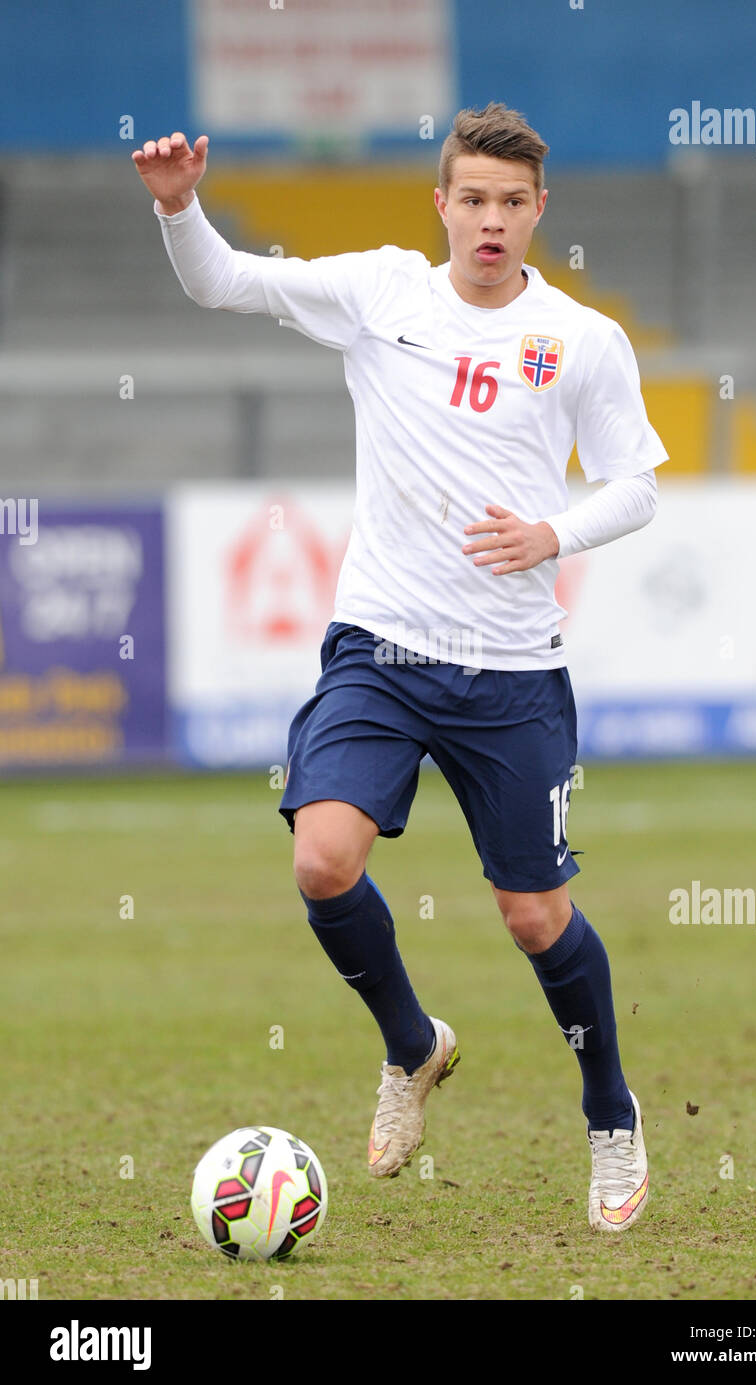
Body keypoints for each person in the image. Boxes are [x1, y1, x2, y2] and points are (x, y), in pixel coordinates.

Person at [133, 103, 668, 1233]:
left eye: (511, 203)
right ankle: (411, 1043)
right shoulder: (383, 292)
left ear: (537, 213)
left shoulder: (580, 339)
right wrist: (180, 208)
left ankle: (611, 1114)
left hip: (512, 670)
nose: (489, 220)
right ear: (441, 203)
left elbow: (635, 482)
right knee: (322, 860)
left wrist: (551, 534)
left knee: (532, 916)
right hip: (379, 647)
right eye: (470, 198)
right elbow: (225, 282)